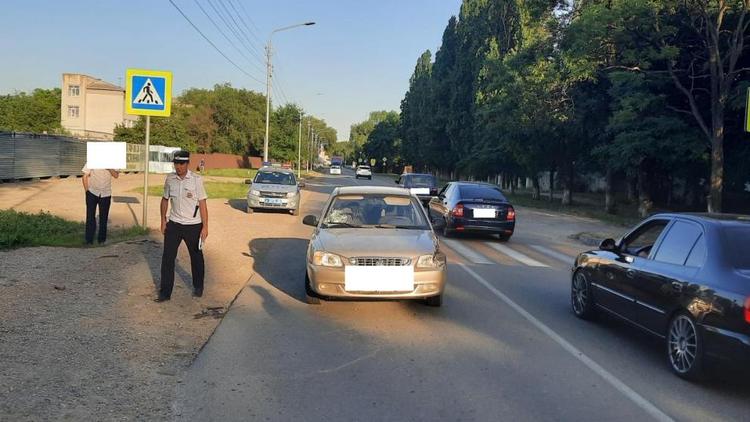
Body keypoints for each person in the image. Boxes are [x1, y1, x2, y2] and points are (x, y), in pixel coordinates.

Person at [155, 150, 209, 302]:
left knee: (196, 256)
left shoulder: (196, 180)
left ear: (187, 163)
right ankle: (165, 292)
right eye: (176, 163)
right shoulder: (170, 179)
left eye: (181, 163)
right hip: (174, 224)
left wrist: (205, 227)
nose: (178, 167)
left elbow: (203, 203)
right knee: (167, 258)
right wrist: (163, 220)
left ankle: (198, 286)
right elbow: (165, 199)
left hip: (193, 225)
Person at [81, 164, 119, 245]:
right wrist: (87, 191)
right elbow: (85, 176)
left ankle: (101, 240)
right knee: (90, 217)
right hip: (92, 193)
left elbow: (116, 175)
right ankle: (89, 240)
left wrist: (109, 168)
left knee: (103, 218)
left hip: (106, 194)